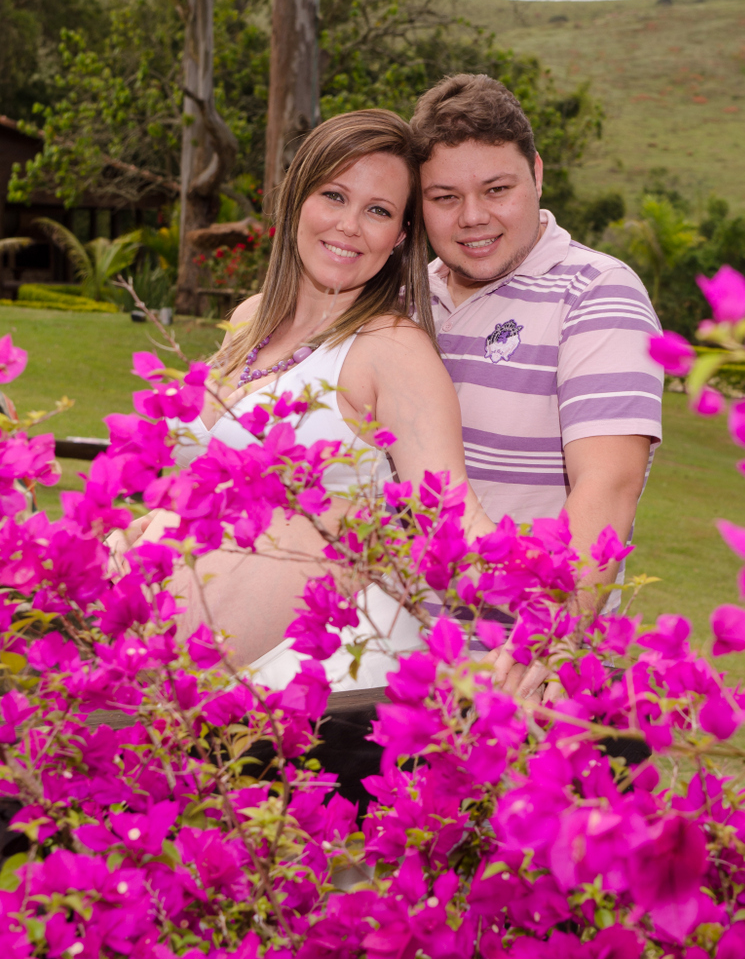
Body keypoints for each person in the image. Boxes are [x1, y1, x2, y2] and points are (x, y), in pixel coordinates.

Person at [114, 109, 493, 686]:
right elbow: (216, 483)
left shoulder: (391, 348)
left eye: (379, 211)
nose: (349, 225)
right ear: (297, 199)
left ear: (401, 237)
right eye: (334, 195)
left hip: (313, 686)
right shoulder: (249, 319)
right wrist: (153, 523)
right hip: (178, 685)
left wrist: (558, 616)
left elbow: (453, 514)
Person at [409, 74, 664, 688]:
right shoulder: (404, 295)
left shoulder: (597, 292)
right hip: (394, 663)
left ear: (537, 174)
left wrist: (549, 637)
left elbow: (609, 483)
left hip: (523, 674)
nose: (473, 217)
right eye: (444, 197)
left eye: (497, 189)